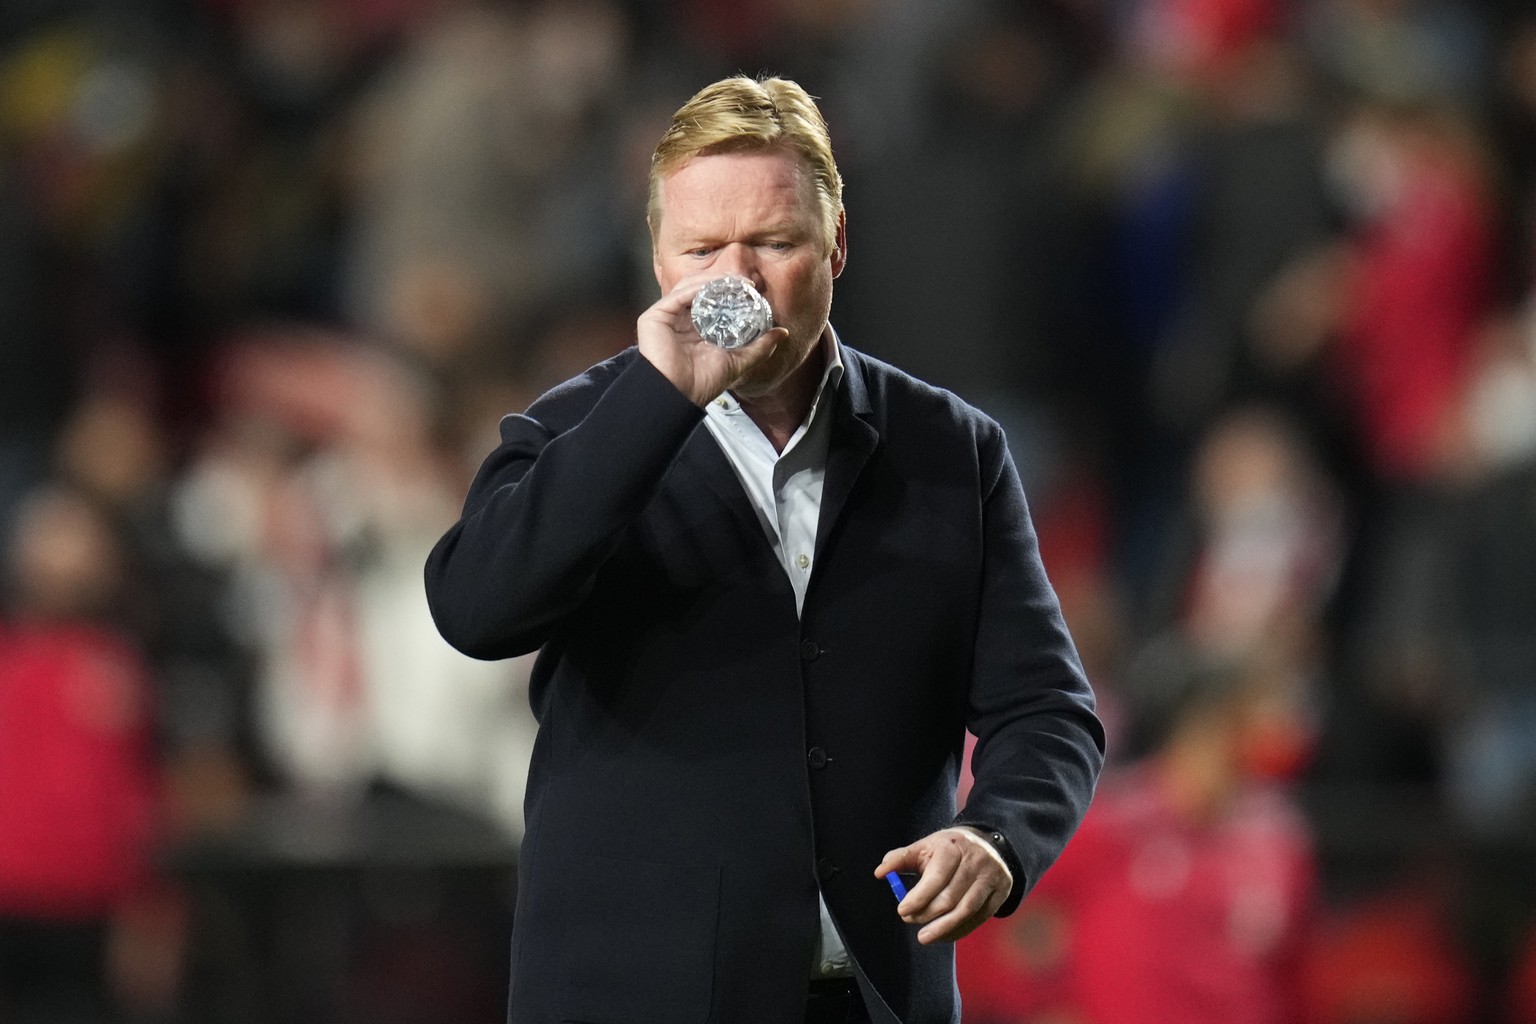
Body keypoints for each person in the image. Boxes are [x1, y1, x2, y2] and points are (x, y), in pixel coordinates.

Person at [424, 74, 1104, 1024]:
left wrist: (997, 837)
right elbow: (476, 609)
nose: (734, 281)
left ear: (836, 245)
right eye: (702, 248)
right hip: (629, 999)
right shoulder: (573, 433)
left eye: (774, 243)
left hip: (869, 998)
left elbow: (1048, 709)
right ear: (658, 262)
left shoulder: (951, 450)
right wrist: (657, 404)